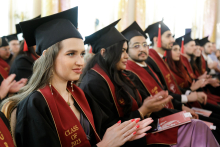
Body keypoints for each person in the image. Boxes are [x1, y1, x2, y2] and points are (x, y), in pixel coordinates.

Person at [1, 7, 149, 147]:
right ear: (47, 57)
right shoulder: (35, 104)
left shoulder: (77, 93)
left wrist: (126, 132)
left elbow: (103, 130)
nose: (80, 62)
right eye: (71, 53)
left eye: (82, 54)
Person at [79, 20, 219, 146]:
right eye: (122, 51)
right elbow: (106, 130)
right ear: (104, 53)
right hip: (131, 139)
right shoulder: (93, 83)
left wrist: (174, 111)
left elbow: (147, 105)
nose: (126, 56)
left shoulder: (122, 74)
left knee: (197, 125)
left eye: (126, 50)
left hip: (145, 125)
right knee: (197, 129)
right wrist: (143, 111)